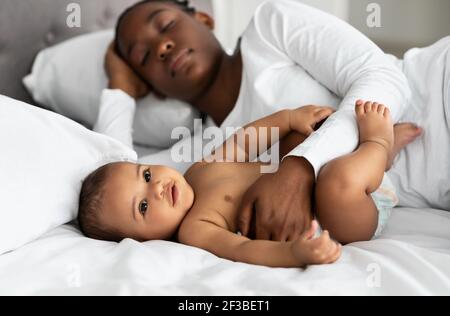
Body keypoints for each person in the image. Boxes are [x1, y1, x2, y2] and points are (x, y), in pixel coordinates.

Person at [102, 0, 431, 244]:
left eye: (165, 25)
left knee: (294, 139)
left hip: (434, 94)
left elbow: (383, 77)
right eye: (143, 57)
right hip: (407, 189)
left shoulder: (269, 28)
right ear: (154, 90)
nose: (162, 46)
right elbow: (108, 173)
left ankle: (378, 144)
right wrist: (119, 87)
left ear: (203, 18)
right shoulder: (197, 160)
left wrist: (299, 167)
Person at [79, 99, 415, 267]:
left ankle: (371, 162)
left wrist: (287, 119)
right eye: (143, 206)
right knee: (336, 183)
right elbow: (243, 249)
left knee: (298, 138)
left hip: (302, 178)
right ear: (142, 241)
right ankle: (380, 146)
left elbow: (242, 145)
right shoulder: (195, 229)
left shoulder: (198, 171)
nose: (156, 189)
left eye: (147, 175)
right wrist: (293, 253)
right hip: (343, 216)